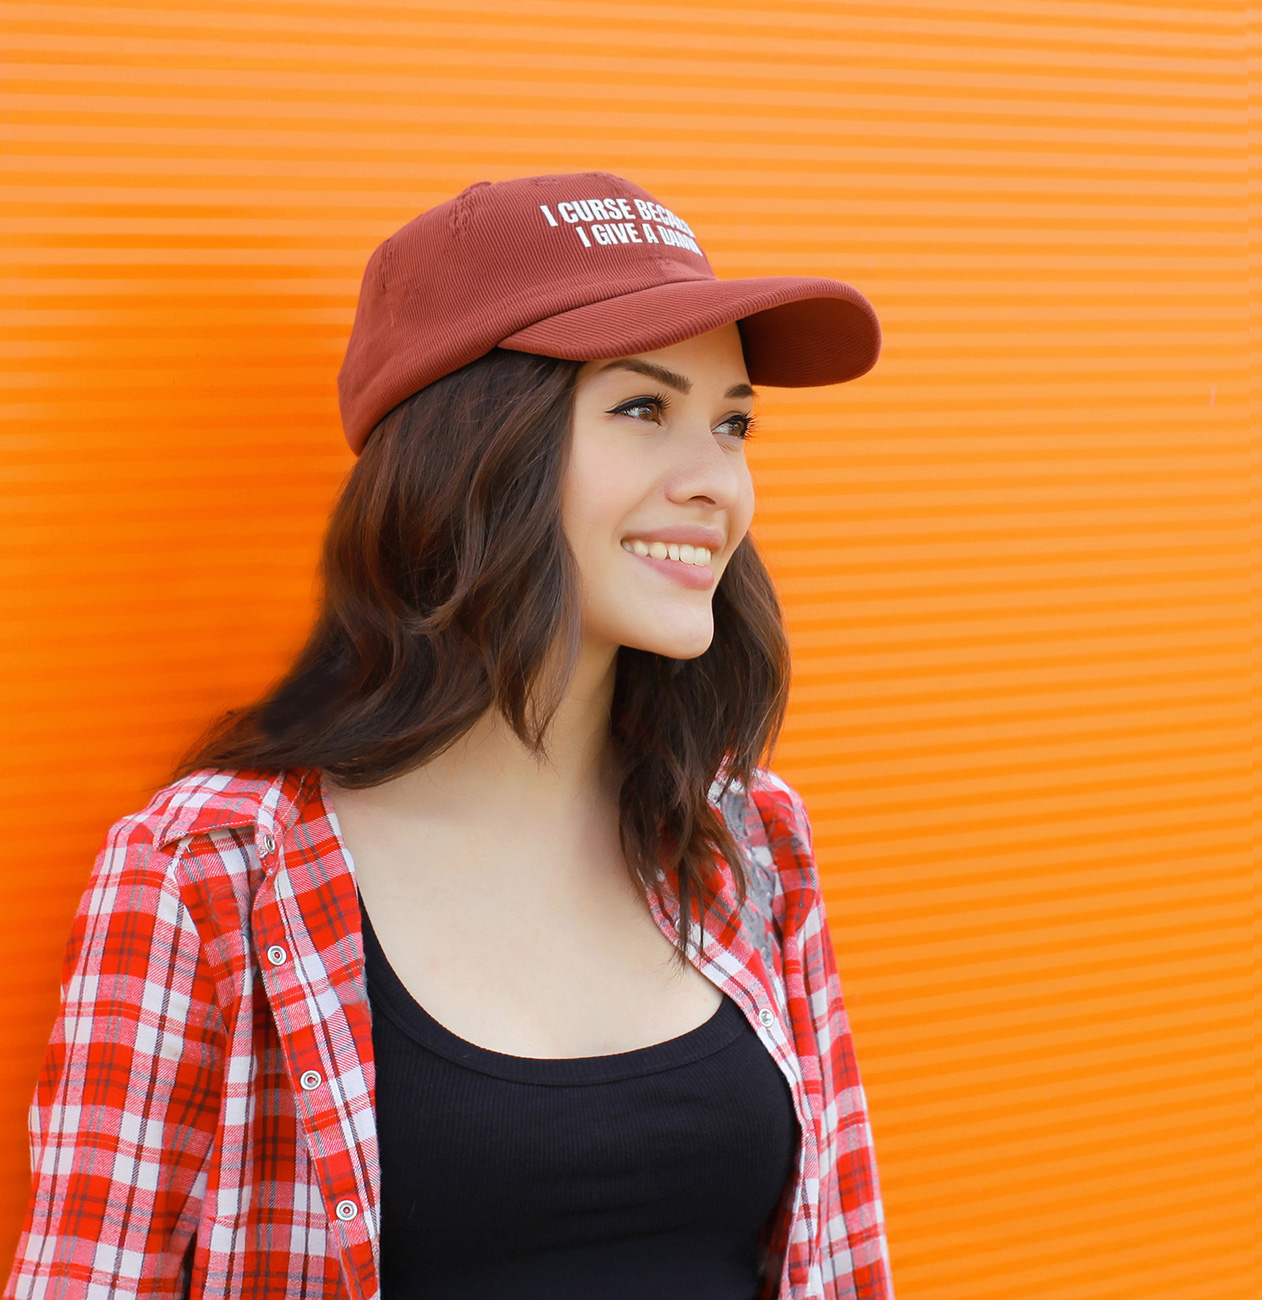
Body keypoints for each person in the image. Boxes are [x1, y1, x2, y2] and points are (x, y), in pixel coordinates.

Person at [4, 172, 893, 1300]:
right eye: (641, 408)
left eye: (731, 423)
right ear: (474, 451)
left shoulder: (749, 837)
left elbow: (847, 1265)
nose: (716, 480)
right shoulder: (212, 877)